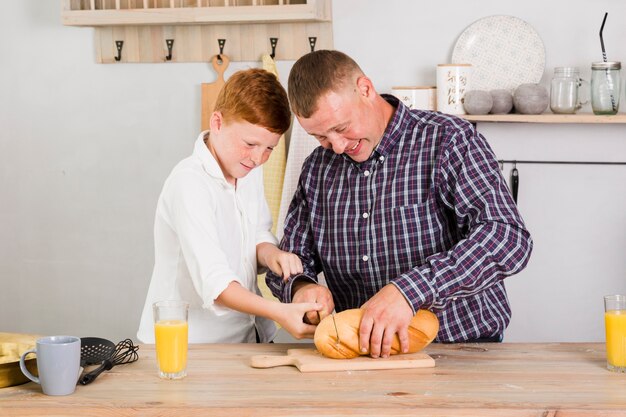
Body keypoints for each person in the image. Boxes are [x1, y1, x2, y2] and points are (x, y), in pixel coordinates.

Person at [266, 50, 533, 357]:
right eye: (320, 137)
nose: (337, 147)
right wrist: (301, 287)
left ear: (365, 89)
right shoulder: (317, 168)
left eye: (341, 128)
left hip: (461, 350)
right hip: (361, 357)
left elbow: (507, 237)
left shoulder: (448, 140)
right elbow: (289, 258)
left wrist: (410, 291)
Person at [137, 68, 322, 344]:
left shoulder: (247, 167)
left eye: (269, 148)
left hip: (248, 337)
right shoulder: (189, 184)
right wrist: (281, 312)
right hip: (191, 346)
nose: (259, 158)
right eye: (250, 143)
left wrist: (272, 255)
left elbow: (256, 233)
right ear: (217, 122)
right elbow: (217, 285)